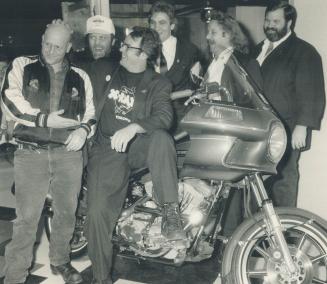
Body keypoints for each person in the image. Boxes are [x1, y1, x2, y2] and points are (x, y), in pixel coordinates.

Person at [86, 26, 185, 284]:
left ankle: (170, 215)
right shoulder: (103, 70)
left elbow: (164, 117)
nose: (121, 48)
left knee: (162, 138)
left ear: (142, 54)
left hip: (139, 146)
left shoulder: (158, 82)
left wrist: (133, 127)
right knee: (97, 212)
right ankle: (101, 278)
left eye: (127, 45)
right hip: (107, 149)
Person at [1, 20, 95, 284]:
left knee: (67, 213)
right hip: (31, 154)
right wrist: (44, 120)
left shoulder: (81, 76)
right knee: (26, 220)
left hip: (68, 155)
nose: (50, 51)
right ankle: (15, 276)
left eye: (57, 46)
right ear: (42, 39)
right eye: (47, 44)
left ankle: (60, 261)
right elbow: (10, 101)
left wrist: (83, 131)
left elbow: (91, 115)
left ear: (68, 47)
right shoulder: (22, 64)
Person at [253, 1, 325, 207]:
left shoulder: (304, 52)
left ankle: (283, 235)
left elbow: (312, 91)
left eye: (276, 21)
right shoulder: (258, 49)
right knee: (257, 185)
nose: (269, 25)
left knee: (282, 181)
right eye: (267, 20)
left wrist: (302, 127)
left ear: (289, 22)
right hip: (258, 127)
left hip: (287, 128)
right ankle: (256, 235)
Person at [149, 0, 200, 128]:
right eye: (153, 23)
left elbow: (196, 88)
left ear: (172, 25)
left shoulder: (190, 51)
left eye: (162, 23)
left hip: (180, 120)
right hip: (151, 117)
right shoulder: (144, 49)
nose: (156, 28)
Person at [71, 15, 119, 107]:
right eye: (93, 37)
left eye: (102, 38)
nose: (97, 44)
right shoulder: (78, 64)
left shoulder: (120, 66)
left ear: (113, 42)